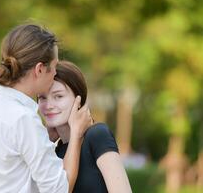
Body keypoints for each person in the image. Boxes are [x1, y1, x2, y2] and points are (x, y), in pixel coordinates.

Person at [0, 24, 92, 193]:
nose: (56, 73)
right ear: (40, 69)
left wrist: (45, 139)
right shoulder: (23, 118)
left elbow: (11, 170)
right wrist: (77, 135)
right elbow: (59, 190)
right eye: (54, 66)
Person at [38, 61, 132, 193]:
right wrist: (45, 141)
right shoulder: (51, 151)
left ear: (78, 99)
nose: (48, 105)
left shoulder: (97, 135)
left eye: (58, 96)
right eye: (42, 97)